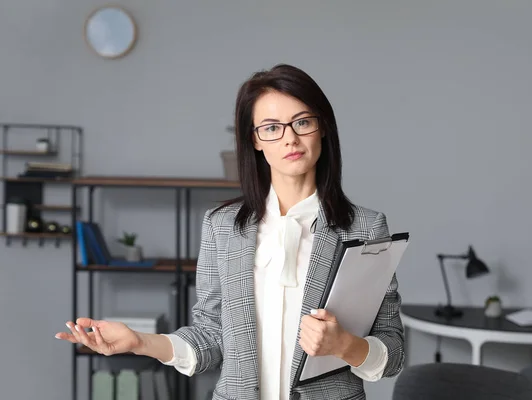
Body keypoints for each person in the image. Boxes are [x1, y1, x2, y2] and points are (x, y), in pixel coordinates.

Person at [55, 64, 405, 400]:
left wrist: (346, 345)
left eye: (302, 122)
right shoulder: (222, 225)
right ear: (254, 140)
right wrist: (139, 342)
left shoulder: (366, 227)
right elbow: (210, 335)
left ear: (323, 127)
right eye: (271, 127)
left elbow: (394, 351)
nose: (290, 138)